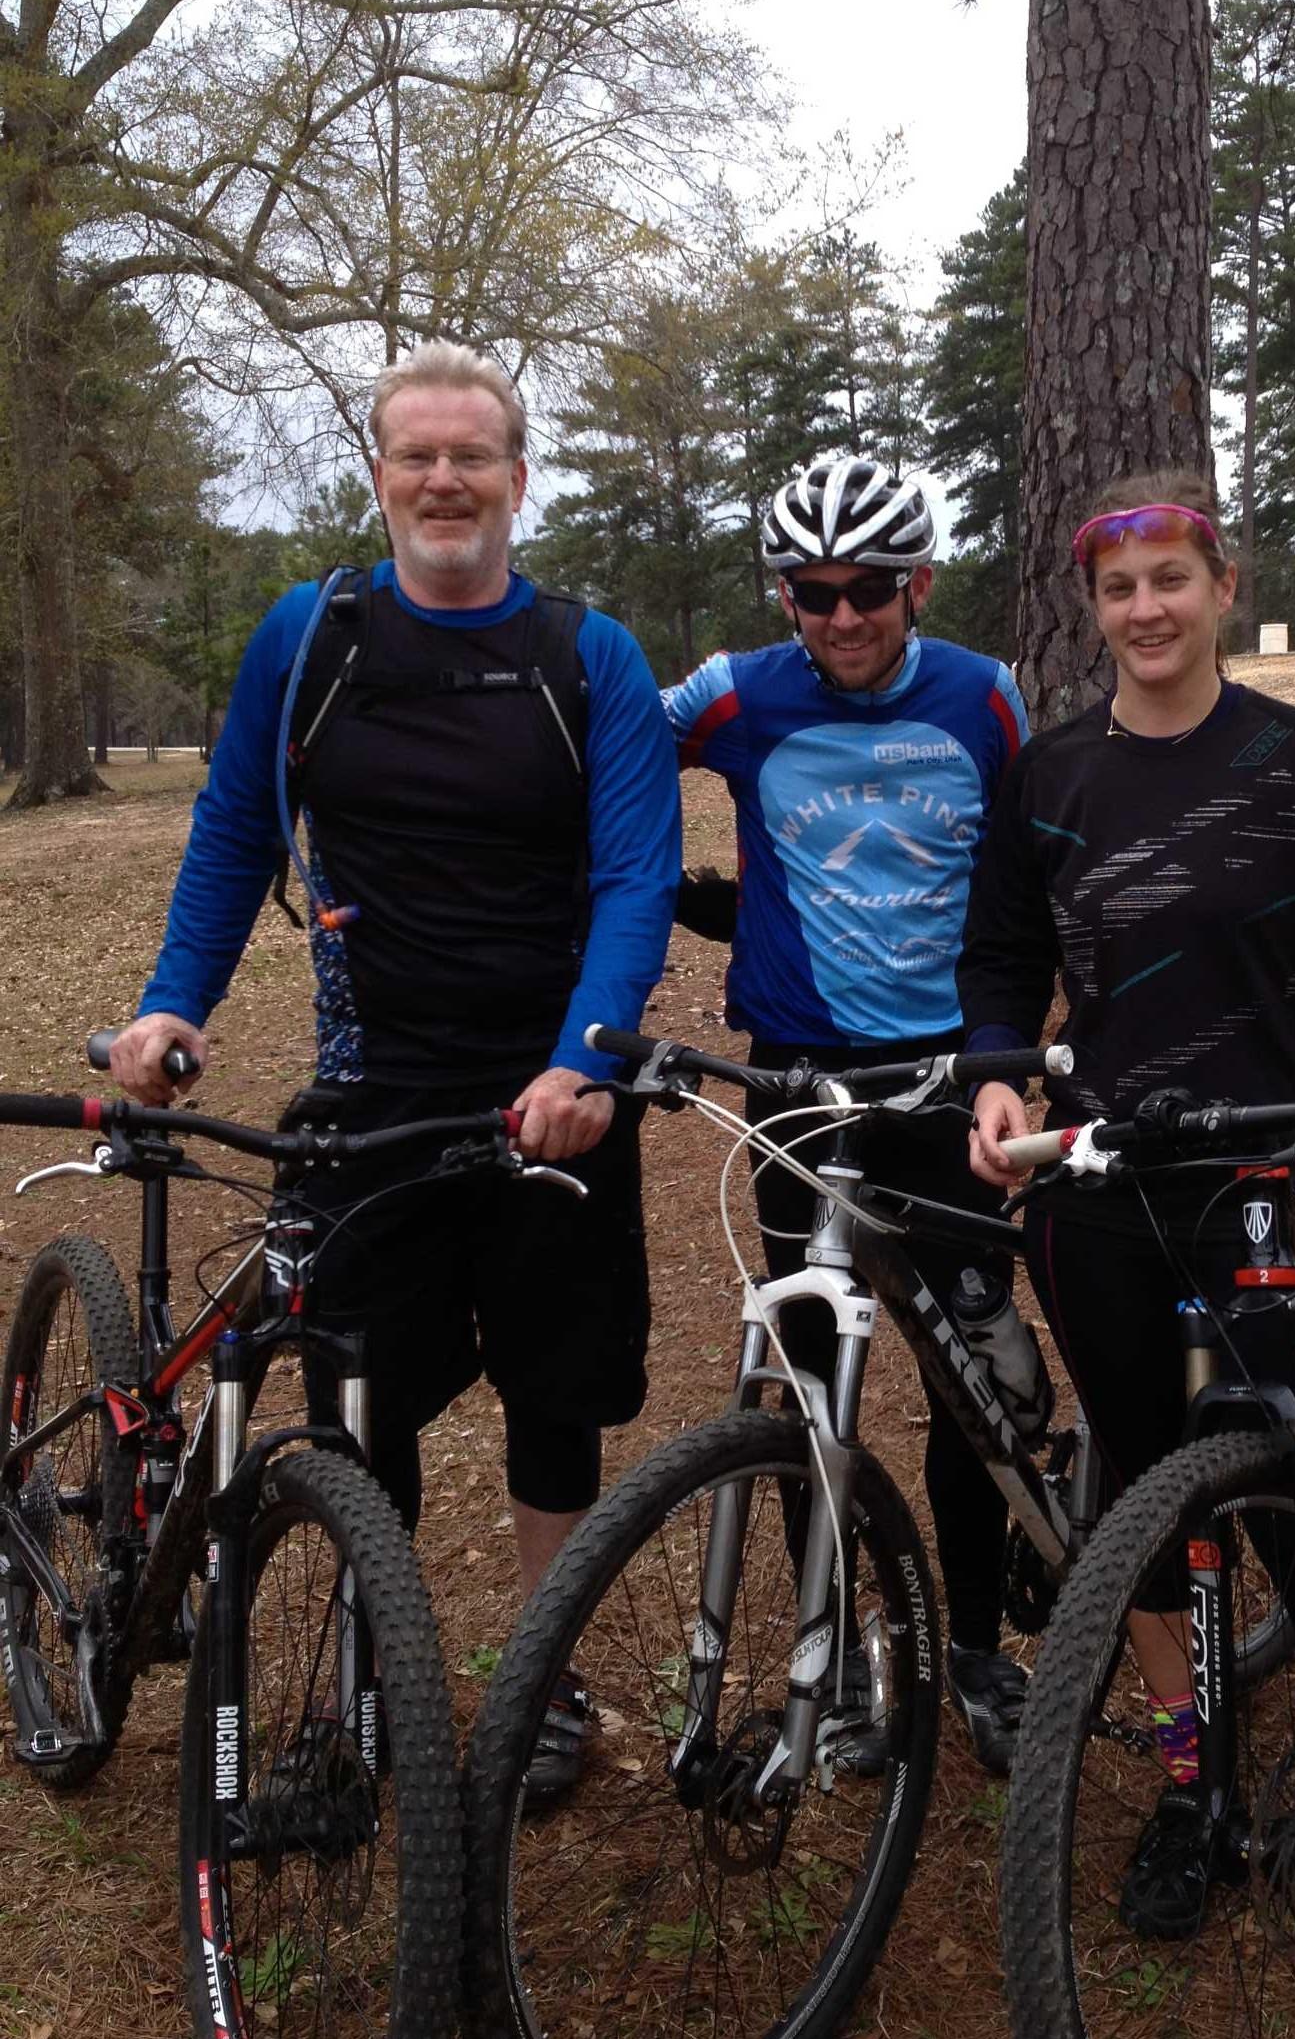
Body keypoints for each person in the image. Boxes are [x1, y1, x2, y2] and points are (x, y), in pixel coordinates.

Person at [111, 341, 680, 1798]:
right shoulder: (313, 638)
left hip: (555, 1092)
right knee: (363, 1399)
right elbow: (237, 831)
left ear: (516, 477)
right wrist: (173, 1004)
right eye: (415, 455)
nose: (443, 479)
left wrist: (588, 1060)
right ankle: (372, 1680)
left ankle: (543, 1685)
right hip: (374, 1090)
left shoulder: (585, 655)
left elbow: (634, 877)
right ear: (379, 474)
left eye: (470, 455)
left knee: (557, 1395)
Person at [959, 467, 1295, 1938]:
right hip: (1107, 1176)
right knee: (1137, 1488)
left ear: (1222, 586)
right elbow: (998, 963)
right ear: (1093, 607)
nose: (1146, 609)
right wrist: (999, 1082)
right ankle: (1194, 1779)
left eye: (1171, 579)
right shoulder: (1049, 779)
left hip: (1279, 1163)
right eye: (1118, 589)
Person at [664, 454, 1035, 1775]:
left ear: (917, 581)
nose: (837, 616)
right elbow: (607, 767)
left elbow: (1034, 864)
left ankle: (982, 1654)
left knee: (962, 1386)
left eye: (867, 588)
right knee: (811, 1391)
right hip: (798, 1078)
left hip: (945, 1073)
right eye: (809, 592)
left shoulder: (985, 698)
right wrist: (676, 887)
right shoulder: (736, 694)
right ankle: (846, 1650)